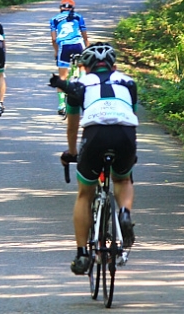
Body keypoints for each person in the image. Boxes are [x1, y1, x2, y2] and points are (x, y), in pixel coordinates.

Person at [48, 42, 138, 275]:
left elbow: (73, 126)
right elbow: (130, 114)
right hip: (125, 134)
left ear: (85, 68)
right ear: (114, 66)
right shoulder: (129, 82)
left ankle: (82, 254)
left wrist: (72, 153)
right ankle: (125, 213)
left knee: (85, 194)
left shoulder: (78, 84)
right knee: (123, 180)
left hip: (95, 135)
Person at [50, 0, 89, 115]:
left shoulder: (54, 19)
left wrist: (56, 52)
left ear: (60, 8)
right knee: (83, 66)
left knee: (62, 77)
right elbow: (84, 35)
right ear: (73, 8)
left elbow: (53, 39)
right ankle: (83, 81)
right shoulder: (78, 17)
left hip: (64, 46)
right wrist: (87, 47)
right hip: (78, 44)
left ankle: (61, 104)